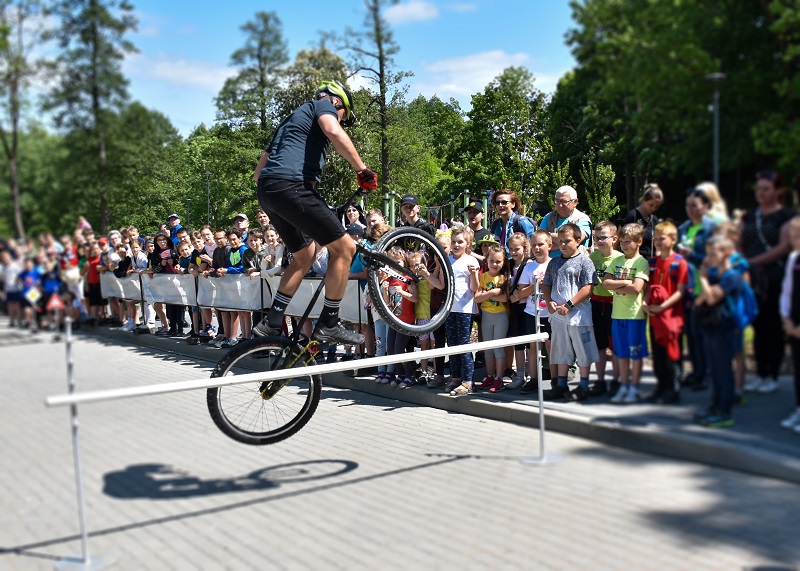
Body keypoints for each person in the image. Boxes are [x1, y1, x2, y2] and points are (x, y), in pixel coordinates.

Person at [251, 78, 377, 345]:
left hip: (268, 192)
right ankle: (330, 323)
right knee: (344, 248)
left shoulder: (289, 121)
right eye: (344, 115)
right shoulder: (323, 105)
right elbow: (332, 130)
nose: (341, 121)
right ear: (336, 101)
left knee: (305, 255)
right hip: (291, 186)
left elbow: (258, 172)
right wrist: (361, 169)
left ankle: (272, 322)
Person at [741, 170, 793, 394]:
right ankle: (760, 371)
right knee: (757, 323)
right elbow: (738, 239)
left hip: (774, 278)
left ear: (778, 191)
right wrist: (743, 262)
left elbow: (784, 246)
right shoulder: (749, 216)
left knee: (772, 326)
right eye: (758, 189)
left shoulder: (786, 216)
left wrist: (752, 261)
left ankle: (771, 373)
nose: (761, 193)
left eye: (766, 189)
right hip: (751, 279)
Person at [541, 223, 599, 401]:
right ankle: (560, 384)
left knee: (582, 350)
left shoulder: (584, 261)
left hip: (578, 316)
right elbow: (546, 284)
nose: (563, 245)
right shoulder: (554, 261)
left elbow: (588, 287)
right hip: (558, 316)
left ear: (578, 240)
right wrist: (549, 301)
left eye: (568, 241)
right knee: (560, 349)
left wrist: (570, 304)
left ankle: (583, 385)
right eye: (560, 241)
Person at [693, 236, 743, 428]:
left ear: (727, 254)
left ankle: (725, 410)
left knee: (723, 370)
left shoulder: (732, 276)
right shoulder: (714, 274)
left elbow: (712, 299)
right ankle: (715, 405)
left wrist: (704, 280)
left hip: (725, 328)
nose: (709, 257)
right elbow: (699, 301)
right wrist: (707, 287)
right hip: (710, 327)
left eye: (714, 254)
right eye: (708, 254)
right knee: (713, 369)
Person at [643, 221, 688, 404]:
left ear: (673, 239)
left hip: (672, 319)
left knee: (672, 355)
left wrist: (663, 307)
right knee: (658, 356)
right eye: (656, 239)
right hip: (655, 318)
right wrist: (646, 303)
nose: (658, 242)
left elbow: (680, 291)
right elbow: (648, 287)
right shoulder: (652, 262)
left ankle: (673, 390)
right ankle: (661, 387)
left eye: (662, 238)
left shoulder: (679, 262)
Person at [604, 223, 650, 403]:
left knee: (635, 353)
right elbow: (605, 284)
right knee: (621, 353)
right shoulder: (617, 260)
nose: (623, 246)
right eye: (621, 242)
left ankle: (635, 387)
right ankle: (624, 385)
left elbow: (637, 288)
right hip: (617, 315)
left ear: (639, 241)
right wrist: (626, 284)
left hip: (634, 316)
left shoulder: (641, 262)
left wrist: (620, 284)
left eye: (628, 242)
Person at [677, 188, 716, 390]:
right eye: (688, 205)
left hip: (704, 288)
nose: (690, 209)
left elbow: (715, 260)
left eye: (695, 205)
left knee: (703, 334)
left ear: (706, 206)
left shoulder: (712, 229)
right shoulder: (683, 228)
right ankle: (697, 371)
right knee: (690, 333)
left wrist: (691, 255)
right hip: (685, 288)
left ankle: (706, 373)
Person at [587, 221, 624, 397]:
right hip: (595, 304)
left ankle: (617, 381)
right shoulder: (592, 258)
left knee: (615, 345)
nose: (599, 241)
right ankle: (600, 381)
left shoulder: (620, 258)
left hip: (613, 304)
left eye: (603, 237)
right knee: (599, 345)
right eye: (596, 238)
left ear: (614, 238)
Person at [445, 226, 480, 396]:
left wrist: (473, 274)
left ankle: (468, 380)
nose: (457, 245)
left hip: (465, 308)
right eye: (454, 242)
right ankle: (456, 376)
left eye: (460, 242)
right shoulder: (447, 260)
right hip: (449, 308)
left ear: (467, 243)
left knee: (464, 344)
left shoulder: (471, 261)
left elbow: (475, 288)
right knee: (452, 344)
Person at [475, 245, 510, 393]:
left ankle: (499, 378)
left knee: (498, 349)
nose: (494, 264)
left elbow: (505, 297)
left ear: (503, 262)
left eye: (498, 261)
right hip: (487, 315)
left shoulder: (504, 277)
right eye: (491, 261)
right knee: (488, 349)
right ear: (487, 261)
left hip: (501, 316)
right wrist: (494, 292)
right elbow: (477, 298)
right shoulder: (482, 277)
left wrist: (487, 294)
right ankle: (489, 375)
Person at [779, 216, 800, 434]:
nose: (794, 241)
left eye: (797, 236)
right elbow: (786, 291)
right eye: (792, 237)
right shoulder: (793, 258)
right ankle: (798, 408)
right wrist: (786, 318)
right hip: (793, 323)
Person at [539, 185, 592, 256]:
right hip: (550, 264)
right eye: (557, 201)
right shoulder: (549, 217)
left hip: (574, 264)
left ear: (575, 202)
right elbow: (539, 239)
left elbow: (576, 239)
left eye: (564, 201)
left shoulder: (582, 219)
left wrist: (548, 238)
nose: (560, 205)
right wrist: (565, 242)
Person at [620, 183, 663, 260]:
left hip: (651, 262)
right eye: (651, 205)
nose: (653, 208)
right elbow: (620, 237)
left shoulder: (654, 220)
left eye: (656, 206)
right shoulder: (632, 216)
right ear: (644, 200)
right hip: (633, 262)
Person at [463, 198, 489, 262]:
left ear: (483, 215)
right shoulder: (462, 234)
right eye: (469, 212)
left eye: (476, 212)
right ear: (466, 215)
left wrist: (469, 253)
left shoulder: (488, 236)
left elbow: (488, 259)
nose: (472, 214)